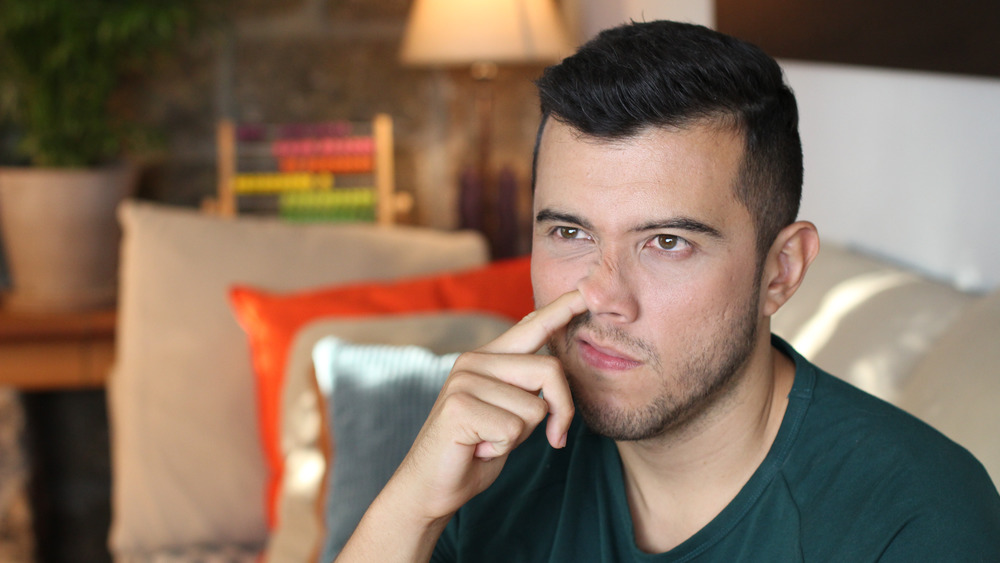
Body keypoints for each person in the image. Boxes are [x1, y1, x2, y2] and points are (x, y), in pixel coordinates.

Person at [336, 20, 1000, 561]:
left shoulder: (915, 517)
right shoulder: (492, 459)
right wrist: (412, 502)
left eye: (666, 243)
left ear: (782, 270)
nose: (603, 296)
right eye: (569, 231)